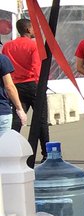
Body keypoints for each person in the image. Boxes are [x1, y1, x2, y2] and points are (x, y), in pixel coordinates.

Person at [2, 19, 43, 155]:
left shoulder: (7, 46)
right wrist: (41, 86)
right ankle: (46, 153)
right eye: (33, 28)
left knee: (16, 120)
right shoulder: (34, 45)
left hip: (16, 85)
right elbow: (37, 67)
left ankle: (14, 148)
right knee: (41, 118)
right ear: (28, 30)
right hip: (32, 83)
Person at [0, 50, 26, 133]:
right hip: (2, 110)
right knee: (4, 144)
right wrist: (19, 109)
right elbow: (9, 87)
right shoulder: (2, 59)